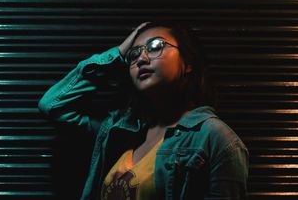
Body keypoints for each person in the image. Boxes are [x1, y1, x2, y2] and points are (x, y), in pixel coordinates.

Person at [38, 21, 249, 200]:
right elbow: (53, 105)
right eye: (134, 54)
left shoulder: (216, 139)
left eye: (156, 46)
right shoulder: (118, 130)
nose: (142, 58)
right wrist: (119, 53)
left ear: (188, 64)